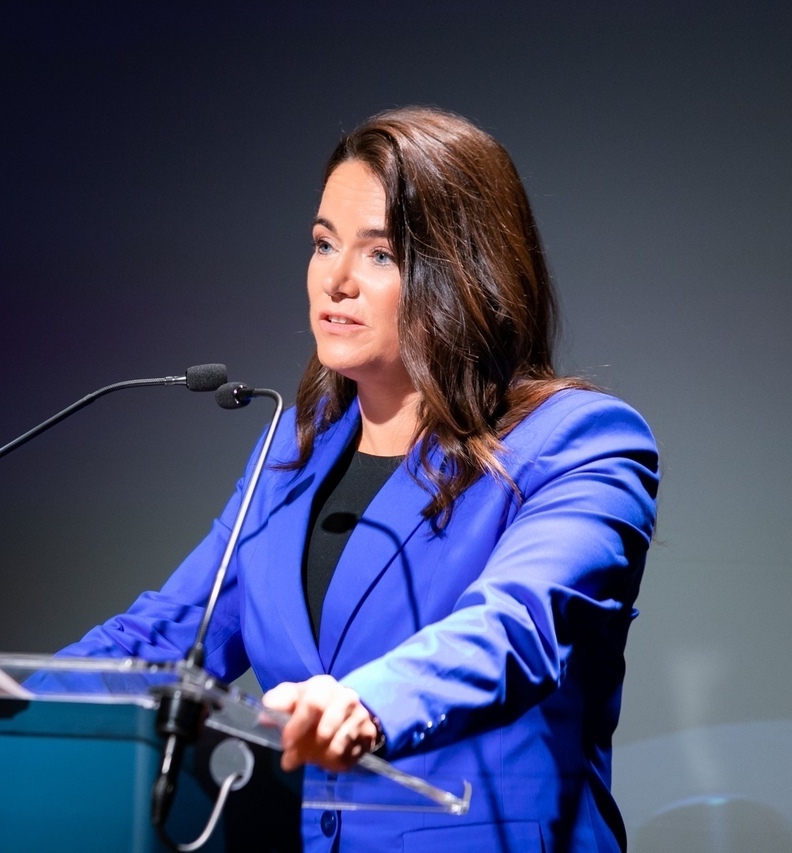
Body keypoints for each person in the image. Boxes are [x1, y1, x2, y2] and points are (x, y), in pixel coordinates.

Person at [58, 106, 658, 852]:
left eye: (379, 254)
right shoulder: (292, 454)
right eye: (323, 244)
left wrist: (368, 703)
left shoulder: (580, 442)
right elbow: (167, 634)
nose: (335, 280)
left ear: (463, 273)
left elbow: (516, 628)